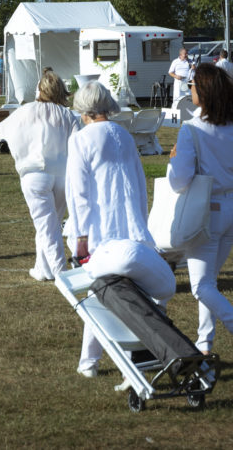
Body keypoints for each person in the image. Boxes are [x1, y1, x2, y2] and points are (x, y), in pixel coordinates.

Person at [168, 63, 233, 374]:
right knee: (208, 281)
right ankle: (205, 343)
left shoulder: (192, 130)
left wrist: (173, 159)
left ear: (204, 92)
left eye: (192, 86)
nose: (189, 90)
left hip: (207, 211)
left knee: (200, 286)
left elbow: (178, 181)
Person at [66, 81, 172, 378]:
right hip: (132, 227)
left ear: (83, 109)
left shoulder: (81, 139)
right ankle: (108, 359)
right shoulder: (123, 135)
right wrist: (141, 221)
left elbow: (79, 194)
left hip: (102, 229)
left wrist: (81, 236)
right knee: (126, 295)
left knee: (102, 294)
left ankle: (95, 361)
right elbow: (138, 184)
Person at [0, 70, 80, 281]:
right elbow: (80, 144)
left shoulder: (25, 111)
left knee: (46, 225)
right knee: (50, 223)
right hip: (63, 175)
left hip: (34, 174)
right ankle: (42, 269)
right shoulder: (68, 115)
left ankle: (61, 273)